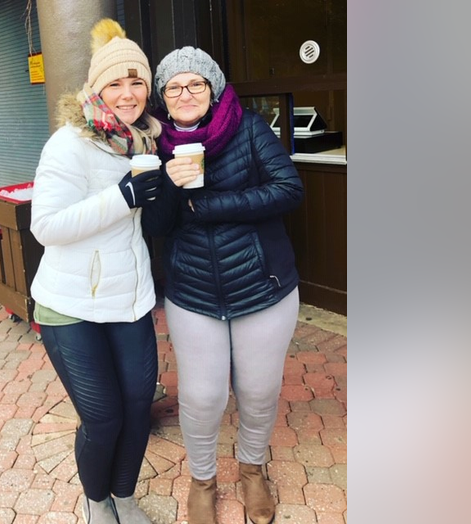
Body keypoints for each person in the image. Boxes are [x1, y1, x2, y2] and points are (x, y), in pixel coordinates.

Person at [141, 47, 304, 524]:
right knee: (202, 397)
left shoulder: (249, 128)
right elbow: (156, 225)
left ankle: (252, 472)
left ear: (212, 90)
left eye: (196, 84)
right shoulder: (154, 146)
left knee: (257, 390)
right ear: (163, 99)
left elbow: (289, 188)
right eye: (174, 87)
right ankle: (203, 481)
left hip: (263, 286)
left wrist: (213, 205)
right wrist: (170, 184)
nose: (185, 93)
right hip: (194, 291)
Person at [29, 18, 162, 524]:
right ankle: (97, 501)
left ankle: (124, 498)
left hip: (128, 300)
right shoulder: (69, 143)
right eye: (116, 82)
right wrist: (121, 197)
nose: (128, 94)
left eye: (137, 82)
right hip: (69, 307)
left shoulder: (147, 141)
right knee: (103, 418)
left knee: (136, 410)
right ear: (96, 87)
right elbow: (46, 225)